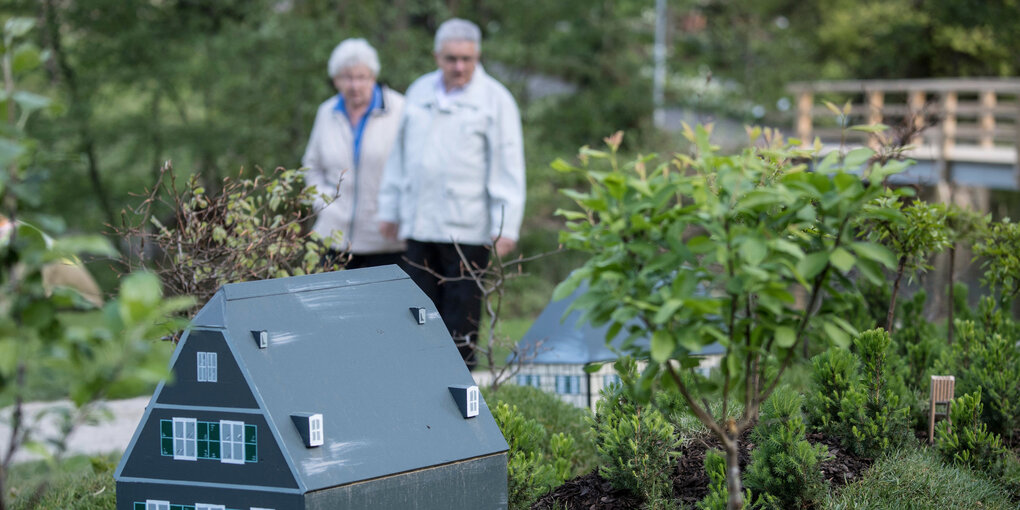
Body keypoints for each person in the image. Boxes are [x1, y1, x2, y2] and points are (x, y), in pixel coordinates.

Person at [377, 18, 526, 369]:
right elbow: (399, 157)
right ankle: (419, 382)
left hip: (468, 229)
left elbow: (508, 165)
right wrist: (390, 207)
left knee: (461, 318)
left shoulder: (496, 100)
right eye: (451, 59)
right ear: (436, 56)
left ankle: (461, 391)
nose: (459, 67)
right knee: (416, 314)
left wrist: (507, 224)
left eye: (466, 59)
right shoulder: (419, 91)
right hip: (419, 223)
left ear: (477, 57)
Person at [302, 38, 406, 270]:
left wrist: (398, 212)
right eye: (347, 77)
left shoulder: (400, 110)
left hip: (386, 239)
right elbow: (311, 165)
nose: (354, 85)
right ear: (335, 80)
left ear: (373, 77)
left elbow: (413, 168)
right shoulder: (327, 112)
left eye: (361, 77)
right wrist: (322, 202)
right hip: (333, 237)